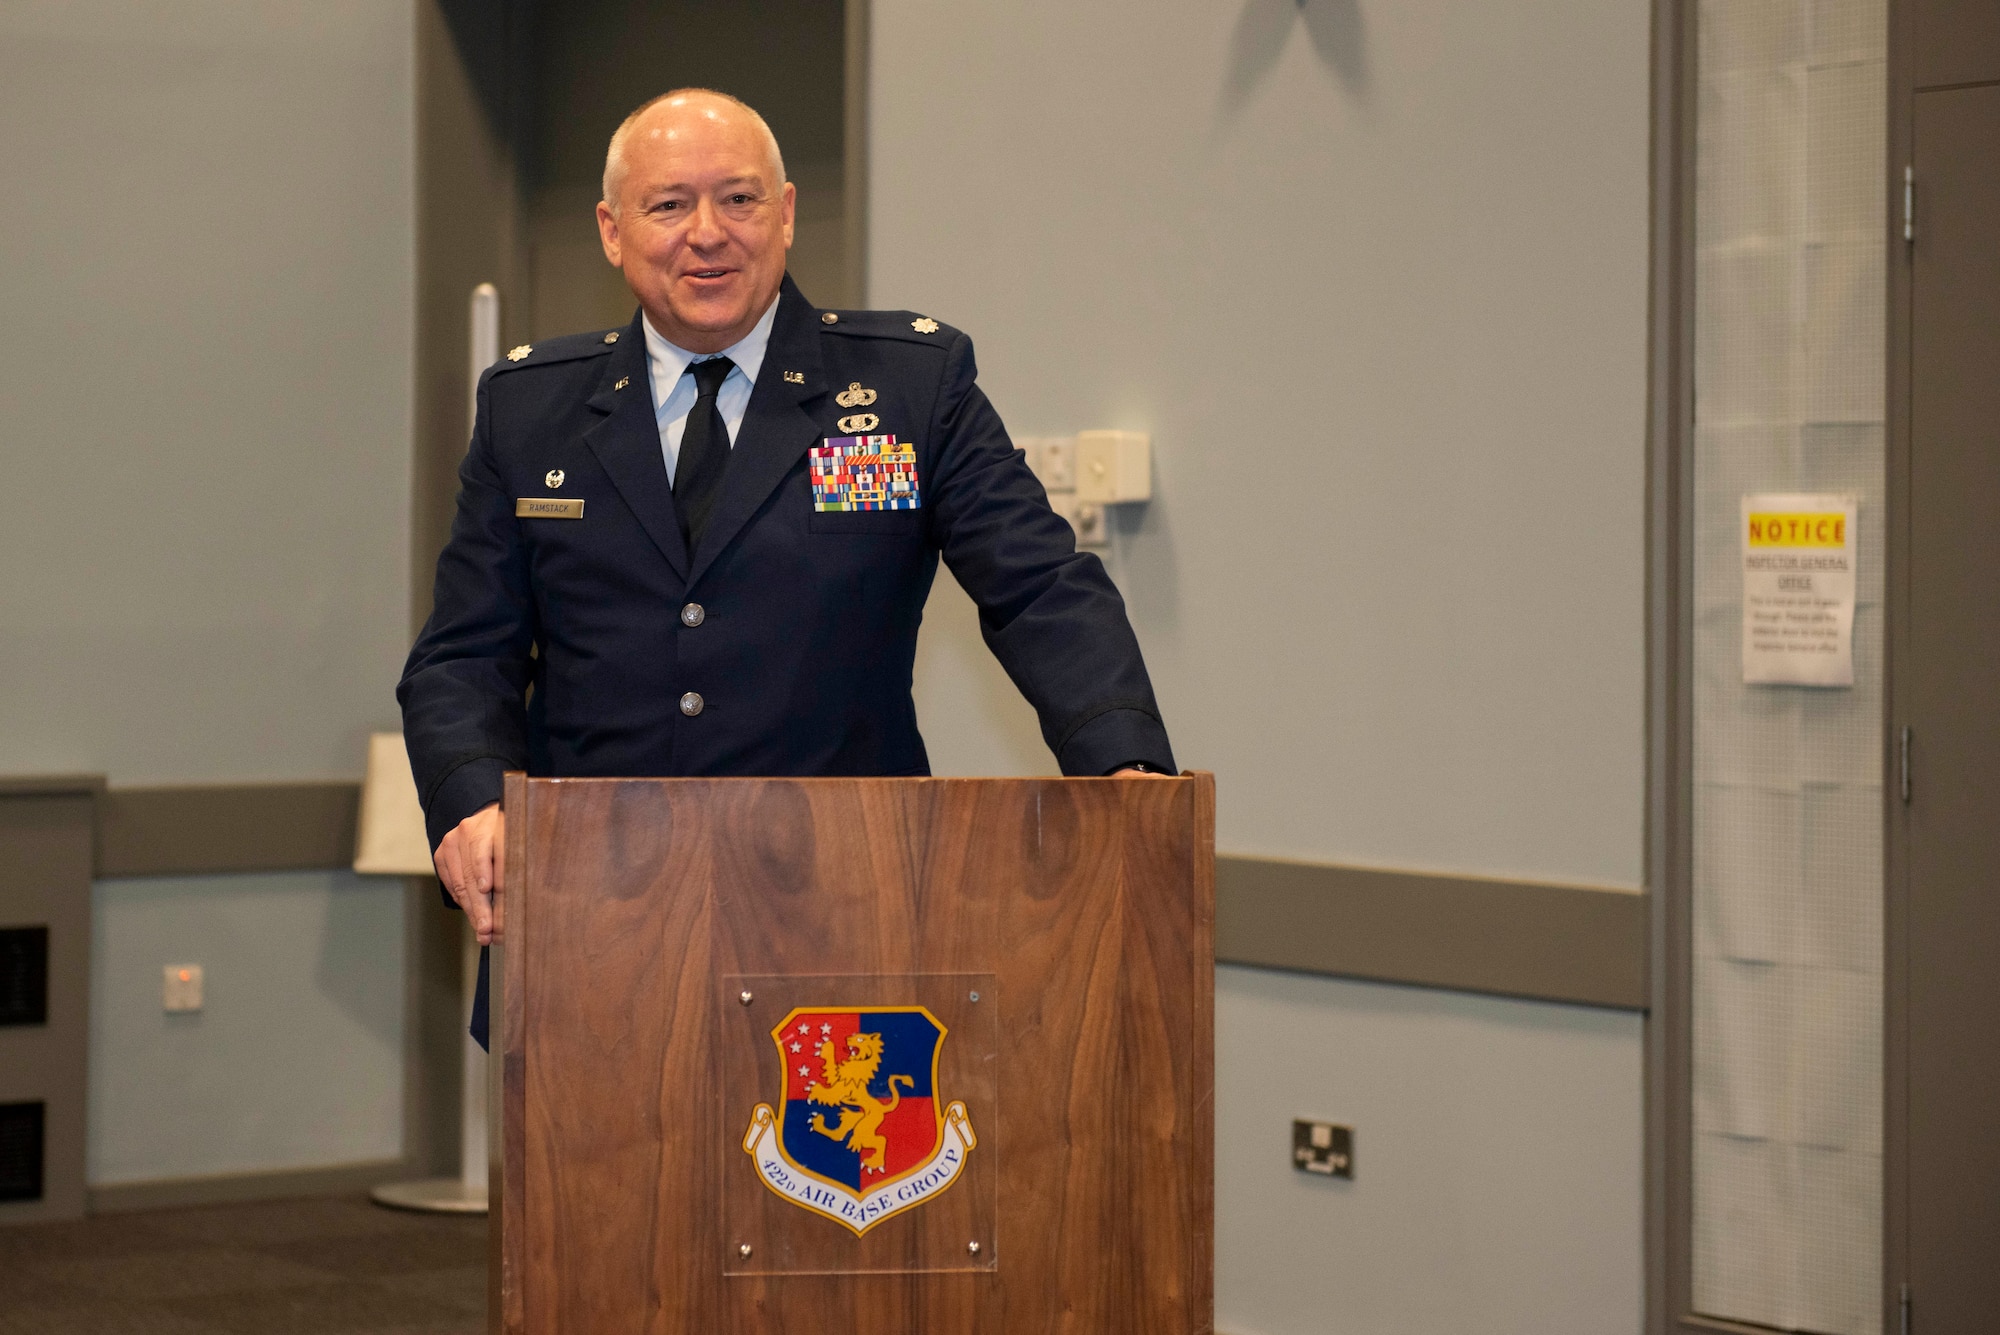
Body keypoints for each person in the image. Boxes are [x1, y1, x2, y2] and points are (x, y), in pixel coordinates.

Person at [399, 89, 1174, 1037]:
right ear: (612, 230)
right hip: (593, 919)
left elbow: (1040, 585)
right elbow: (461, 657)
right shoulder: (530, 408)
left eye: (740, 199)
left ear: (788, 213)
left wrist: (1125, 769)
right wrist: (473, 803)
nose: (708, 235)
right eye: (669, 204)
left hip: (846, 910)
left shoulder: (909, 387)